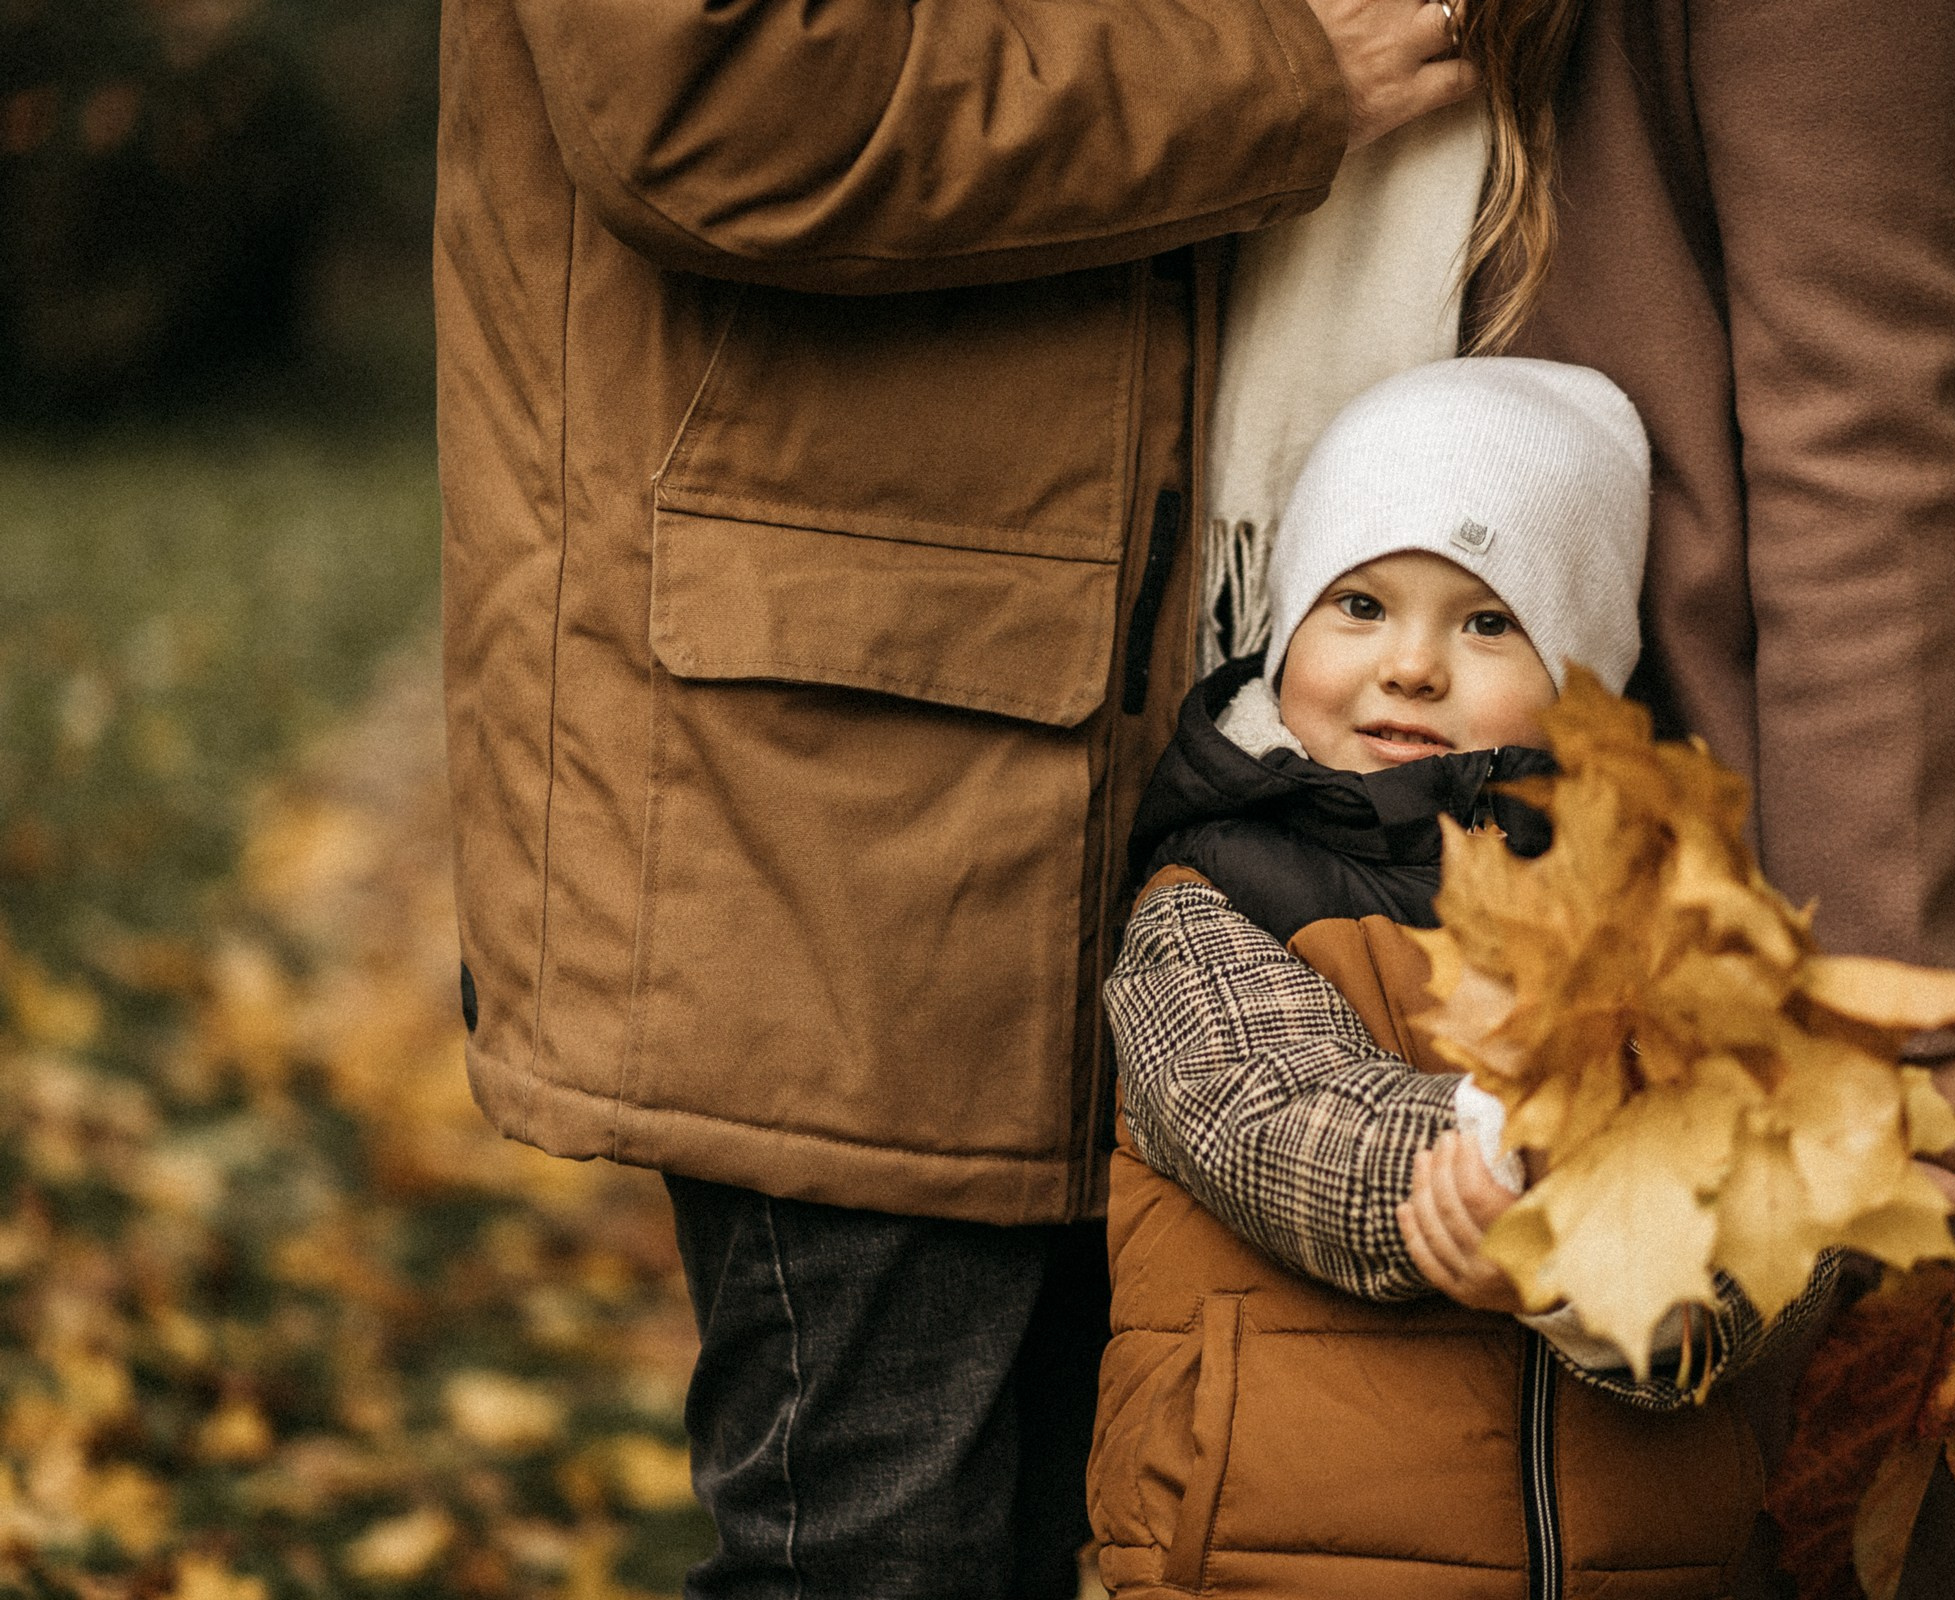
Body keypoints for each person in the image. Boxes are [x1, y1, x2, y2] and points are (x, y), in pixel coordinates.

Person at [433, 0, 1476, 1592]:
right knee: (879, 1547)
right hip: (828, 772)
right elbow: (707, 97)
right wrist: (1275, 77)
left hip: (1069, 745)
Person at [1091, 357, 1955, 1594]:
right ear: (1282, 625)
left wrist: (1668, 1292)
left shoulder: (1662, 918)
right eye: (1360, 607)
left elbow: (1774, 1184)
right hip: (1270, 1555)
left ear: (1581, 690)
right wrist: (1514, 1174)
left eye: (1487, 621)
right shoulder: (1215, 895)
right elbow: (1265, 1112)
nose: (1413, 664)